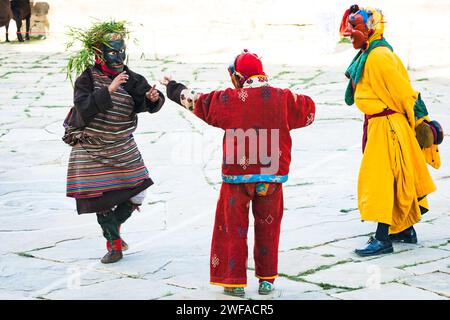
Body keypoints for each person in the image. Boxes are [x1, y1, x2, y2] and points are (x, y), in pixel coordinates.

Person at [161, 50, 315, 296]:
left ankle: (234, 282)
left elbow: (198, 102)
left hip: (238, 179)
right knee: (268, 227)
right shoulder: (283, 98)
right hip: (271, 178)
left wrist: (173, 88)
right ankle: (266, 281)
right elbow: (308, 110)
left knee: (231, 228)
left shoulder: (229, 99)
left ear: (239, 77)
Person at [341, 6, 441, 256]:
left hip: (389, 127)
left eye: (356, 27)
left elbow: (404, 93)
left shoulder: (380, 57)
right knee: (394, 179)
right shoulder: (369, 52)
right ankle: (404, 230)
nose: (350, 32)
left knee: (380, 180)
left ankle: (382, 238)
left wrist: (420, 122)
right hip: (379, 124)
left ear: (371, 29)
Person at [63, 21, 165, 264]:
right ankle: (114, 246)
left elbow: (146, 102)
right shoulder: (87, 78)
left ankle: (113, 228)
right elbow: (83, 107)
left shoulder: (131, 78)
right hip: (91, 145)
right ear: (99, 54)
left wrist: (153, 99)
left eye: (121, 51)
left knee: (139, 192)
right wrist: (107, 90)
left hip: (121, 145)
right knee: (102, 202)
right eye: (112, 52)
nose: (118, 56)